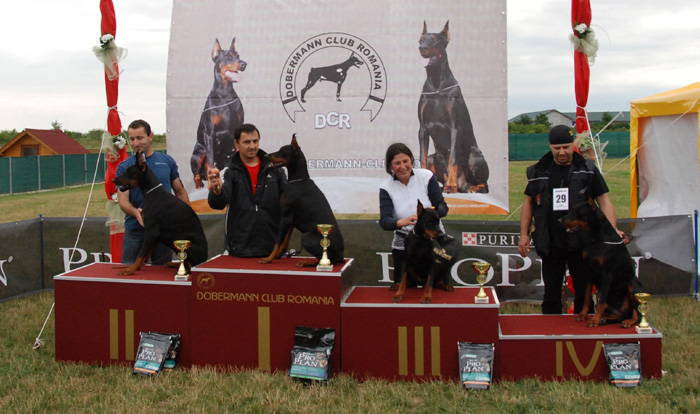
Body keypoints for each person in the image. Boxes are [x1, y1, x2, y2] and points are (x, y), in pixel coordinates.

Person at [517, 125, 622, 314]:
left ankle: (584, 327)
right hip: (550, 240)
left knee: (584, 291)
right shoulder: (537, 171)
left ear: (572, 145)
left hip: (582, 242)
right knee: (551, 293)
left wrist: (611, 233)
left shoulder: (588, 169)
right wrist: (524, 234)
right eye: (557, 148)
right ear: (550, 146)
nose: (562, 152)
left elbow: (604, 202)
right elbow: (528, 203)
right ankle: (551, 327)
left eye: (566, 147)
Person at [116, 119, 190, 265]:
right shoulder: (124, 167)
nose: (136, 143)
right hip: (135, 230)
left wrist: (187, 219)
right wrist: (135, 212)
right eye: (132, 139)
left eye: (140, 138)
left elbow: (180, 192)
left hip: (163, 230)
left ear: (150, 136)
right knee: (129, 273)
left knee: (161, 274)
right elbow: (123, 200)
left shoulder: (166, 161)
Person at [207, 123, 287, 257]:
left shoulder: (275, 169)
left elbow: (287, 200)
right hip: (240, 249)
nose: (252, 146)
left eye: (255, 141)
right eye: (247, 142)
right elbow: (218, 204)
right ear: (236, 143)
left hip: (273, 248)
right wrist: (217, 192)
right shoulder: (229, 171)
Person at [379, 143, 448, 290]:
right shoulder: (386, 187)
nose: (403, 166)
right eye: (397, 163)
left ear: (411, 160)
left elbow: (443, 207)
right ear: (390, 166)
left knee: (436, 289)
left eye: (406, 161)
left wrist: (431, 213)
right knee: (402, 291)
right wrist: (401, 222)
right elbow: (384, 221)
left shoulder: (426, 176)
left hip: (432, 240)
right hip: (404, 244)